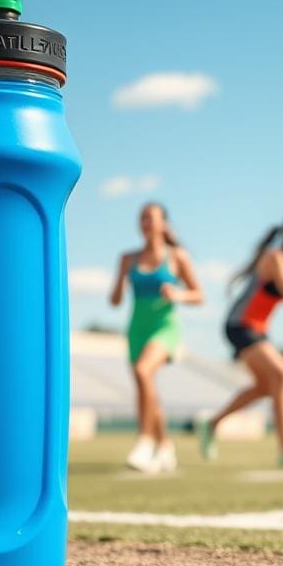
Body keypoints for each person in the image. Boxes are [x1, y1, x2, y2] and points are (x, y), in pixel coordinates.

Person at [197, 214, 283, 468]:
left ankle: (212, 424)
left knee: (266, 386)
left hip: (259, 329)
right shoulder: (275, 257)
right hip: (239, 324)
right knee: (282, 372)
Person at [109, 202, 203, 473]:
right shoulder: (128, 258)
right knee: (145, 387)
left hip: (165, 327)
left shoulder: (177, 257)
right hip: (137, 328)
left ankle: (145, 441)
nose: (147, 223)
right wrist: (120, 282)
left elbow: (199, 295)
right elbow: (115, 301)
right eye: (143, 219)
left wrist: (179, 294)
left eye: (152, 218)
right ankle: (165, 447)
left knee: (142, 371)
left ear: (164, 224)